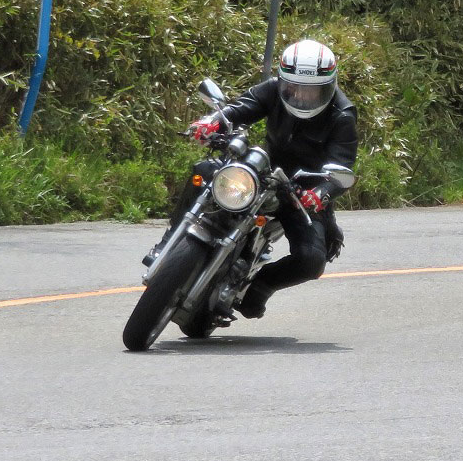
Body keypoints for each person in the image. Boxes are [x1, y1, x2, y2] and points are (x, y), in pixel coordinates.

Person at [148, 39, 358, 319]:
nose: (301, 97)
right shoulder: (272, 89)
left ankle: (259, 288)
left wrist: (322, 192)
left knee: (311, 260)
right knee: (204, 171)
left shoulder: (342, 115)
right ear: (283, 81)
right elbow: (241, 108)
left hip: (303, 192)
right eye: (294, 88)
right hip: (262, 169)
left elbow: (342, 165)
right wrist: (212, 122)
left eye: (312, 91)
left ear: (329, 86)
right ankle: (167, 244)